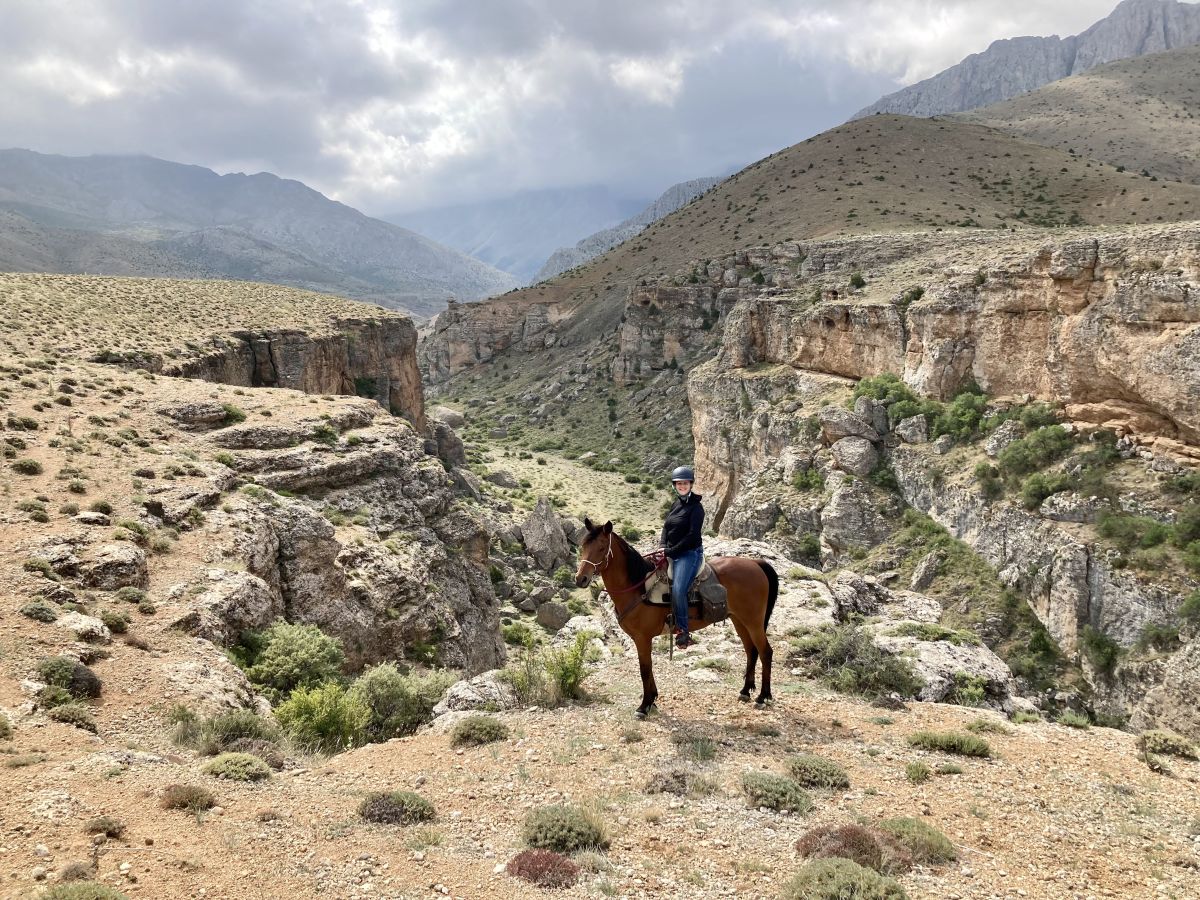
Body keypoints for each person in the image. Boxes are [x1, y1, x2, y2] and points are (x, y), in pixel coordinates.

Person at [660, 465, 704, 650]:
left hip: (689, 553)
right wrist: (662, 545)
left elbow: (692, 536)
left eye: (685, 483)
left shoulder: (697, 508)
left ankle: (683, 631)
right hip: (671, 550)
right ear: (674, 486)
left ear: (691, 484)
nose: (682, 486)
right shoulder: (676, 504)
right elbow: (666, 526)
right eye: (679, 483)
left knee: (678, 589)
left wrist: (672, 551)